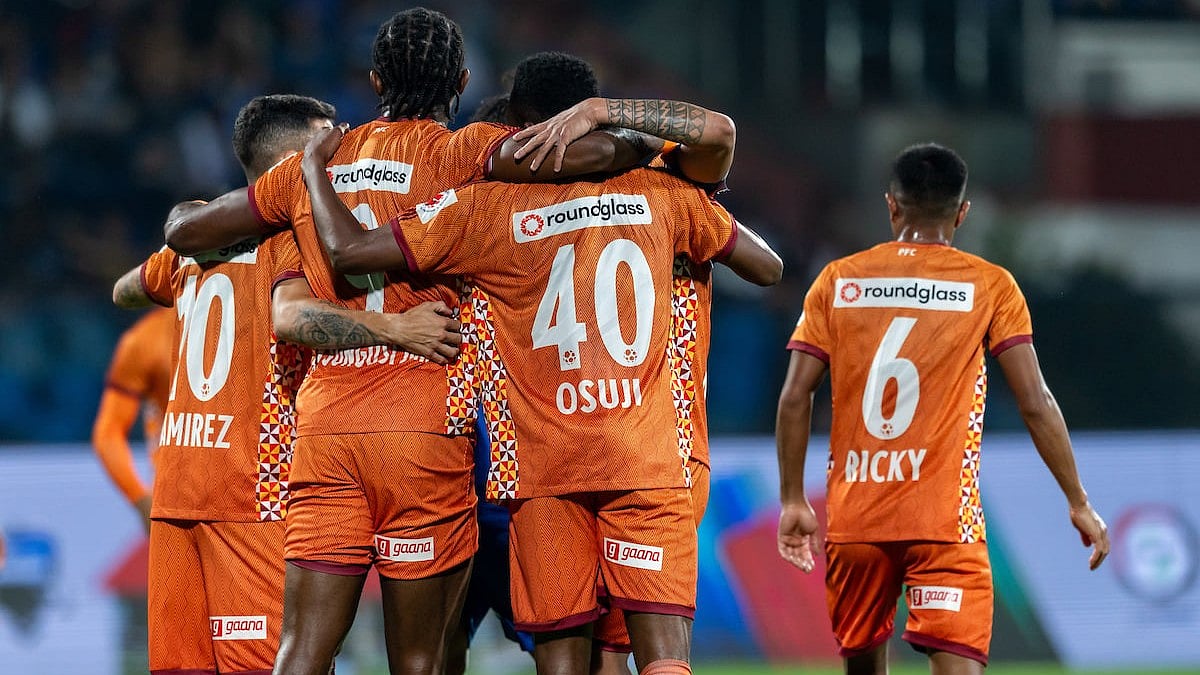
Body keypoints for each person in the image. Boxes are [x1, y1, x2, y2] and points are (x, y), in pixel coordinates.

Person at [161, 10, 743, 674]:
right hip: (425, 428)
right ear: (463, 82)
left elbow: (189, 233)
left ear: (374, 78)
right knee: (421, 658)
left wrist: (199, 208)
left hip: (324, 433)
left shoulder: (314, 164)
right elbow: (583, 159)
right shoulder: (461, 151)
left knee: (299, 652)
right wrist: (636, 140)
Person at [298, 86, 781, 675]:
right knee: (652, 658)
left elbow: (349, 250)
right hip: (653, 453)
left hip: (535, 468)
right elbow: (767, 265)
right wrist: (624, 129)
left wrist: (315, 167)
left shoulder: (483, 208)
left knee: (544, 658)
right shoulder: (664, 190)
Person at [112, 93, 459, 675]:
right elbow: (293, 318)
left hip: (178, 489)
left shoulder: (189, 249)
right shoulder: (290, 240)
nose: (341, 149)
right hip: (257, 491)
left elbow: (124, 289)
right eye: (329, 140)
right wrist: (396, 327)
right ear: (292, 161)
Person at [775, 143, 1110, 675]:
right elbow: (1035, 402)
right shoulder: (990, 285)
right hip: (943, 522)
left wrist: (793, 498)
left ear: (892, 207)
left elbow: (795, 396)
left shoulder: (838, 280)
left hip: (857, 521)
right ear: (962, 212)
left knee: (862, 665)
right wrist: (1078, 500)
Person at [92, 306, 174, 532]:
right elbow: (108, 432)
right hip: (174, 499)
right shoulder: (145, 341)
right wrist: (140, 499)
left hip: (249, 490)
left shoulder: (258, 324)